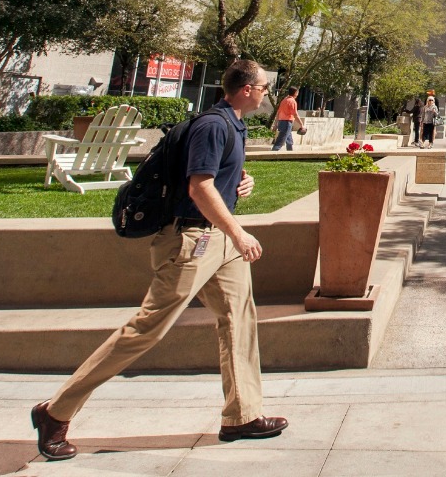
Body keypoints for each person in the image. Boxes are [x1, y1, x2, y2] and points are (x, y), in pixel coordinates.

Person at [30, 60, 288, 462]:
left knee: (239, 318)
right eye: (264, 87)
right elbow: (198, 187)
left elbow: (214, 181)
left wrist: (242, 184)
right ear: (247, 89)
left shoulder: (234, 125)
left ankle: (242, 415)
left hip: (216, 239)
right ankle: (55, 411)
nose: (267, 94)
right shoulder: (213, 125)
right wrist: (239, 231)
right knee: (147, 329)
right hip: (190, 241)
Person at [271, 86, 299, 152]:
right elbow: (295, 114)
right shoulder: (292, 101)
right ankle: (274, 152)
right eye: (297, 92)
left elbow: (278, 112)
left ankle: (290, 151)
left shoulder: (284, 100)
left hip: (282, 121)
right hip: (287, 122)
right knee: (281, 139)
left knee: (289, 139)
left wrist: (276, 124)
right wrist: (301, 124)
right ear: (295, 93)